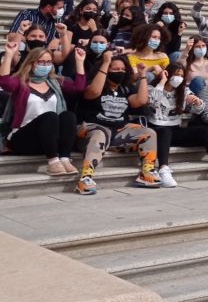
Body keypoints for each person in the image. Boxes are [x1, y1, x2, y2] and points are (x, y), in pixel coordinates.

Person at [76, 53, 161, 194]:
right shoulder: (95, 84)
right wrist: (106, 62)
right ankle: (85, 178)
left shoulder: (125, 89)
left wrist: (142, 75)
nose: (120, 72)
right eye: (115, 69)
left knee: (149, 133)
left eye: (123, 69)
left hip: (117, 131)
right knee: (101, 133)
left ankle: (147, 172)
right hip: (91, 129)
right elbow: (94, 91)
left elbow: (141, 100)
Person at [0, 45, 86, 176]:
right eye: (41, 62)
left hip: (50, 139)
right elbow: (5, 82)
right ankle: (53, 162)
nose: (45, 65)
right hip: (25, 138)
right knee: (50, 116)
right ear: (31, 63)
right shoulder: (21, 81)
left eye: (48, 62)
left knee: (68, 116)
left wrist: (79, 61)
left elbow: (78, 88)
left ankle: (64, 158)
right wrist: (9, 55)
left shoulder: (55, 81)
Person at [147, 63, 207, 187]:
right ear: (167, 73)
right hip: (157, 129)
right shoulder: (152, 88)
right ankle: (163, 169)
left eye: (181, 75)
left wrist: (197, 102)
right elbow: (152, 102)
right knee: (165, 131)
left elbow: (198, 111)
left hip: (175, 129)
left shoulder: (183, 90)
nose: (178, 78)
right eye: (175, 74)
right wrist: (162, 81)